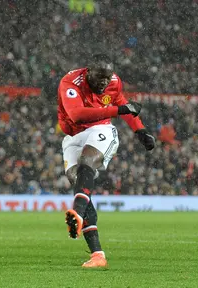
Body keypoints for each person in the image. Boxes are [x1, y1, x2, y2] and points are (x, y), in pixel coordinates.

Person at [58, 60, 155, 268]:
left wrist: (141, 131)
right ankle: (97, 256)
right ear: (88, 72)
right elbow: (77, 114)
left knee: (87, 164)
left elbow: (123, 103)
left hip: (101, 129)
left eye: (107, 77)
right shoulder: (70, 82)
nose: (104, 82)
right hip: (73, 136)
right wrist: (118, 110)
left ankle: (76, 211)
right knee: (78, 181)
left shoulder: (113, 82)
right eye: (99, 77)